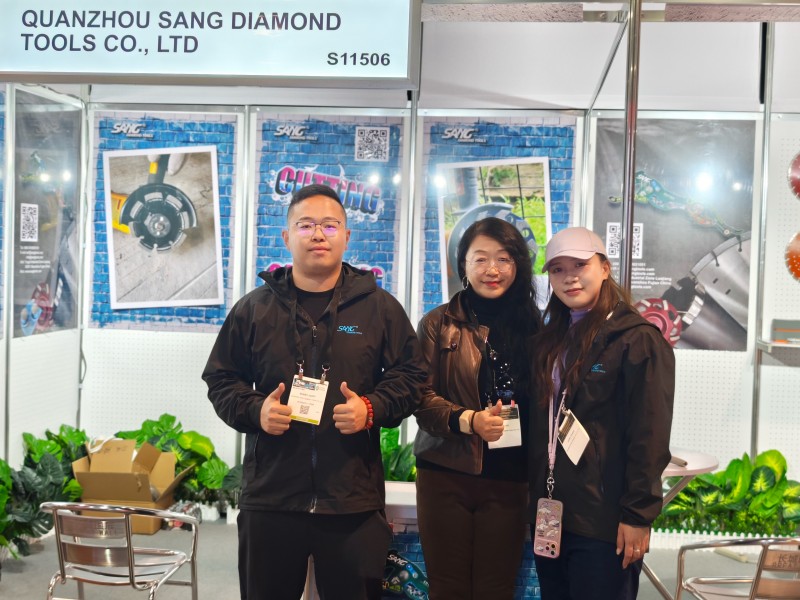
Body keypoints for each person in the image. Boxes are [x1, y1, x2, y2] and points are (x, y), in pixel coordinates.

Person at [202, 183, 427, 600]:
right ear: (287, 237)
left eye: (329, 225)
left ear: (346, 236)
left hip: (352, 501)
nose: (318, 234)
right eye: (306, 225)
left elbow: (412, 377)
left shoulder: (379, 308)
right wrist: (255, 411)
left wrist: (371, 408)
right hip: (271, 498)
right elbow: (221, 379)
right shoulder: (254, 309)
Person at [528, 226, 675, 600]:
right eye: (557, 269)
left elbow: (649, 434)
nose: (569, 277)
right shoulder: (552, 338)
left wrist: (637, 516)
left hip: (604, 520)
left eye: (580, 264)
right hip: (553, 514)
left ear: (605, 268)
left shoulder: (636, 339)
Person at [413, 217, 542, 600]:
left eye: (503, 258)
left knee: (495, 589)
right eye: (480, 258)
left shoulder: (536, 327)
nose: (492, 269)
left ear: (518, 264)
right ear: (463, 264)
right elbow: (419, 397)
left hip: (510, 477)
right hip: (446, 473)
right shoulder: (438, 323)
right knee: (448, 588)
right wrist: (469, 421)